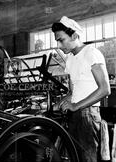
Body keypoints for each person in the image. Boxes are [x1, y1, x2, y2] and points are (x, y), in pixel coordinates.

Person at [52, 16, 111, 162]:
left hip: (88, 115)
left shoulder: (91, 53)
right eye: (57, 41)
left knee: (88, 158)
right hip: (75, 114)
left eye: (61, 40)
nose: (59, 45)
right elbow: (73, 92)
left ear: (74, 35)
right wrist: (60, 102)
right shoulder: (71, 59)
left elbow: (105, 89)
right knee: (75, 157)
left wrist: (75, 105)